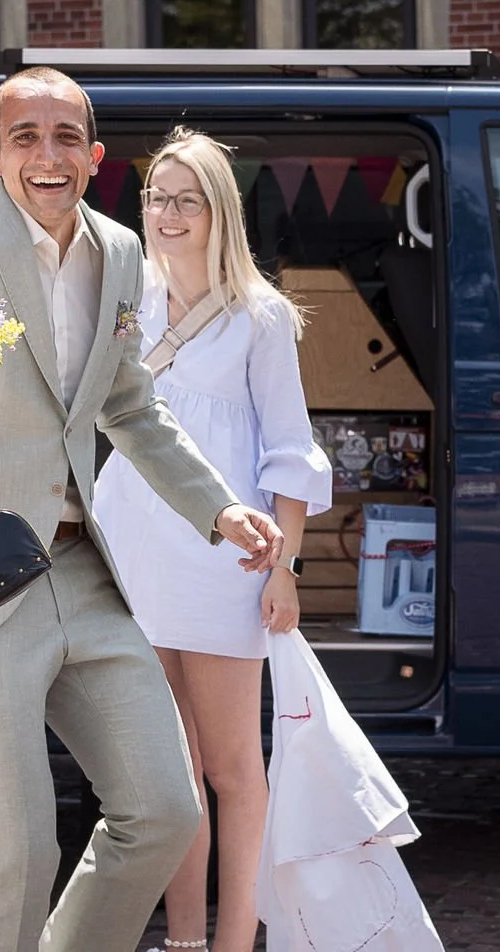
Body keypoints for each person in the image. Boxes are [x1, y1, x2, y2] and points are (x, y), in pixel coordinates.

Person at [0, 68, 284, 952]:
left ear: (94, 158)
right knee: (16, 848)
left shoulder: (123, 252)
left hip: (82, 569)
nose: (45, 156)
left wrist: (219, 510)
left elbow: (129, 406)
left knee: (165, 810)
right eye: (25, 137)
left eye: (65, 139)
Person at [94, 128, 333, 952]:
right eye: (155, 196)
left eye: (183, 198)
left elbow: (290, 452)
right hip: (130, 552)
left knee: (234, 770)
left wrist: (286, 571)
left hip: (228, 561)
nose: (164, 213)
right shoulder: (125, 301)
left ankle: (236, 941)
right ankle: (185, 941)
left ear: (217, 210)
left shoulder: (261, 316)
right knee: (168, 775)